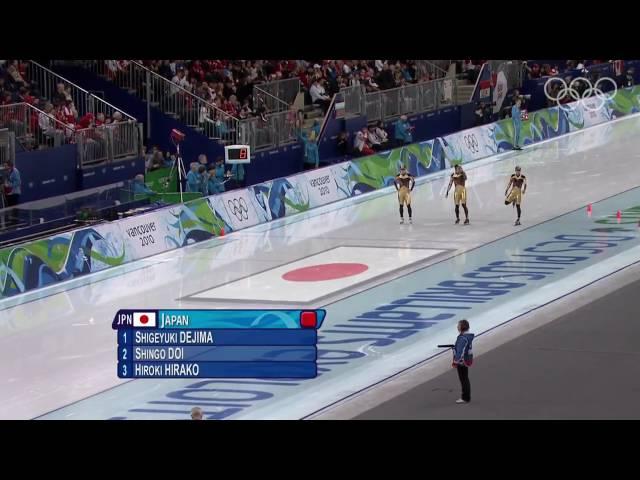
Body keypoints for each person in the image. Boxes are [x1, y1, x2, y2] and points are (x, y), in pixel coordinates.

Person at [452, 319, 474, 404]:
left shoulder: (462, 338)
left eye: (458, 325)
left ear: (462, 327)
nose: (457, 327)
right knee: (465, 378)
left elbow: (460, 351)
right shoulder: (467, 337)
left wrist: (455, 361)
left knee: (463, 379)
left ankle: (465, 397)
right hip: (466, 359)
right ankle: (466, 397)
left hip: (462, 361)